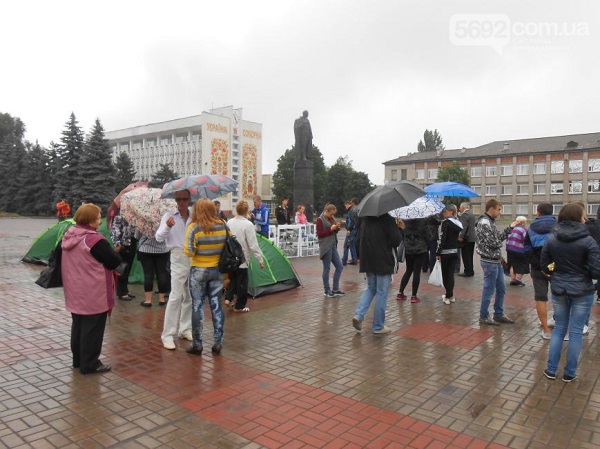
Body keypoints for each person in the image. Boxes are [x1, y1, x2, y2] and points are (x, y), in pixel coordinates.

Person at [541, 203, 600, 382]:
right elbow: (597, 271)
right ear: (578, 218)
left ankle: (551, 370)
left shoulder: (552, 239)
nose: (585, 218)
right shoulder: (588, 241)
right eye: (583, 215)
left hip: (559, 289)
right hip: (582, 290)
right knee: (575, 332)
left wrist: (555, 272)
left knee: (559, 329)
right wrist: (585, 273)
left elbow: (545, 265)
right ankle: (570, 373)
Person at [61, 203, 122, 374]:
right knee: (93, 329)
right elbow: (113, 261)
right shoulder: (94, 240)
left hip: (74, 290)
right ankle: (90, 364)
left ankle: (79, 361)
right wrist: (116, 252)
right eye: (97, 216)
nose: (100, 219)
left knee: (79, 326)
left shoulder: (68, 235)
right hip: (94, 291)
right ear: (89, 220)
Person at [184, 198, 228, 356]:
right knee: (217, 305)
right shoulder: (222, 224)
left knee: (197, 306)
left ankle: (197, 344)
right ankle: (218, 342)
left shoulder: (193, 228)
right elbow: (228, 243)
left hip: (199, 271)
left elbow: (189, 251)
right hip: (217, 270)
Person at [155, 190, 193, 350]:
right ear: (175, 200)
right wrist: (168, 227)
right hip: (177, 256)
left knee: (189, 296)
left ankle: (185, 329)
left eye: (184, 199)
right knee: (175, 296)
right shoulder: (169, 216)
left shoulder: (194, 216)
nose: (182, 202)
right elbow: (158, 237)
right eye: (179, 199)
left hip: (192, 256)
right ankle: (168, 334)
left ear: (189, 200)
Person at [352, 213, 402, 334]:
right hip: (383, 260)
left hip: (368, 259)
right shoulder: (387, 219)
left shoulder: (365, 218)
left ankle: (358, 315)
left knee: (371, 289)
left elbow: (358, 239)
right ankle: (378, 326)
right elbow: (395, 240)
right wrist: (399, 228)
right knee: (382, 293)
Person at [476, 199, 519, 325]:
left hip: (495, 260)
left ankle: (498, 314)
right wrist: (504, 235)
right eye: (499, 209)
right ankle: (483, 316)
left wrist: (509, 228)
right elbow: (494, 243)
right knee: (489, 289)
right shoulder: (484, 222)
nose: (500, 212)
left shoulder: (490, 222)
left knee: (501, 288)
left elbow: (497, 239)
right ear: (491, 209)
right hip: (489, 261)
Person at [224, 200, 265, 312]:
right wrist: (260, 258)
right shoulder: (248, 224)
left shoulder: (229, 222)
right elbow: (253, 245)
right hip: (242, 258)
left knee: (233, 279)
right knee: (242, 283)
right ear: (247, 211)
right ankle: (240, 306)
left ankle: (228, 298)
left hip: (230, 258)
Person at [524, 202, 557, 340]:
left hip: (538, 270)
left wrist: (541, 267)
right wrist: (551, 268)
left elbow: (527, 251)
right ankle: (560, 324)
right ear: (552, 212)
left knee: (540, 298)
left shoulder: (530, 229)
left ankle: (546, 330)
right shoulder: (559, 228)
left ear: (538, 212)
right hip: (557, 269)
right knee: (560, 297)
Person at [397, 217, 435, 303]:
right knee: (417, 272)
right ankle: (414, 296)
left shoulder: (406, 220)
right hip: (420, 249)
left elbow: (403, 235)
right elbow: (429, 236)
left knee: (408, 270)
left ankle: (400, 293)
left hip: (408, 249)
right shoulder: (424, 220)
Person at [136, 231, 170, 307]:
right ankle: (162, 299)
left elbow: (137, 236)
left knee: (148, 274)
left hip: (145, 249)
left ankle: (148, 300)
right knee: (162, 273)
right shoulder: (164, 220)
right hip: (163, 249)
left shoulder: (143, 220)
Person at [316, 204, 344, 298]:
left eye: (333, 214)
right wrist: (330, 229)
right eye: (331, 214)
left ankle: (335, 289)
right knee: (327, 268)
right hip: (325, 246)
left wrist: (337, 228)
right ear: (326, 211)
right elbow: (320, 234)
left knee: (339, 266)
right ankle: (327, 290)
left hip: (333, 245)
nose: (332, 215)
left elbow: (333, 232)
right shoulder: (320, 219)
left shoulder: (331, 219)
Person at [437, 205, 463, 305]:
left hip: (445, 252)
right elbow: (459, 237)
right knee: (451, 275)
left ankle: (447, 296)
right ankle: (451, 295)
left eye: (445, 211)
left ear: (451, 212)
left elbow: (442, 238)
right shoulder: (458, 223)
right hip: (454, 251)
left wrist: (438, 252)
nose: (443, 213)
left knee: (445, 275)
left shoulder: (446, 223)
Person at [110, 212, 137, 301]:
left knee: (128, 267)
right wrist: (117, 244)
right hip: (123, 244)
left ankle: (125, 290)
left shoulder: (133, 215)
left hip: (131, 242)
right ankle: (121, 292)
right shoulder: (119, 215)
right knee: (122, 268)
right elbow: (115, 230)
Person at [506, 216, 529, 286]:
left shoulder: (511, 229)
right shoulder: (523, 230)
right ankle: (518, 280)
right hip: (519, 250)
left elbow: (507, 238)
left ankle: (512, 280)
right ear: (522, 223)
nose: (526, 223)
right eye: (525, 222)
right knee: (523, 264)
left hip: (509, 249)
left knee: (512, 264)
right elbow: (526, 241)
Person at [458, 202, 477, 277]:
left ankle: (467, 271)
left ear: (463, 207)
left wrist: (461, 236)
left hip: (467, 238)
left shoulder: (465, 214)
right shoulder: (471, 214)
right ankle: (470, 270)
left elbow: (464, 227)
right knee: (470, 255)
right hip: (472, 238)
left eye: (460, 208)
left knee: (466, 256)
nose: (459, 209)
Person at [342, 199, 359, 266]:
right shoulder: (354, 210)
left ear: (348, 204)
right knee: (352, 245)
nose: (345, 207)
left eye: (346, 205)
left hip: (351, 230)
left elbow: (352, 221)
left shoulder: (351, 211)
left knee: (346, 245)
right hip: (354, 230)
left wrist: (349, 229)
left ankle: (344, 261)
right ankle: (354, 260)